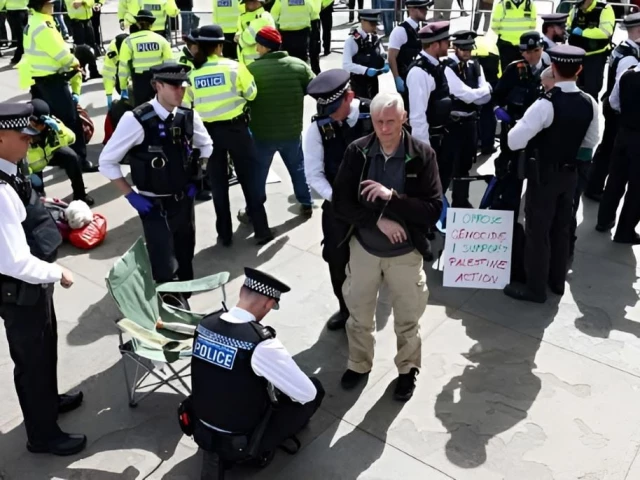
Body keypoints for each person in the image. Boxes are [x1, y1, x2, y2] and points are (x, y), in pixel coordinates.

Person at [332, 92, 441, 400]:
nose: (384, 128)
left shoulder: (422, 155)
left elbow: (433, 209)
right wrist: (377, 219)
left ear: (403, 118)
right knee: (359, 315)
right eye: (379, 121)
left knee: (408, 319)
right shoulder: (358, 151)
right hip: (365, 249)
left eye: (391, 121)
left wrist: (392, 197)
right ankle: (359, 364)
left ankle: (407, 370)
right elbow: (341, 203)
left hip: (405, 255)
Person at [0, 102, 86, 456]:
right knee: (32, 361)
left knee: (45, 346)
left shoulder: (11, 166)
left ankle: (48, 403)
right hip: (22, 288)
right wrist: (57, 271)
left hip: (34, 286)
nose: (29, 144)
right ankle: (42, 435)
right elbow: (14, 261)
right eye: (23, 137)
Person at [192, 267, 324, 478]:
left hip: (201, 424)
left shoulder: (204, 324)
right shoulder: (260, 344)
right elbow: (306, 393)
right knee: (315, 389)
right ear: (270, 303)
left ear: (242, 291)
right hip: (240, 438)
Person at [99, 63, 213, 286]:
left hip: (183, 200)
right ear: (157, 86)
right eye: (174, 86)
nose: (180, 91)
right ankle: (166, 302)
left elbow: (207, 145)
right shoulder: (136, 120)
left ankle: (184, 294)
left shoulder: (187, 116)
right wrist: (130, 195)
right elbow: (106, 161)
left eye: (183, 86)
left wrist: (198, 175)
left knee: (185, 252)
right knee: (162, 261)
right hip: (154, 204)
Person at [503, 45, 599, 303]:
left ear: (553, 69)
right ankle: (557, 282)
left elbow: (513, 141)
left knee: (537, 230)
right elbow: (591, 141)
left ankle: (535, 288)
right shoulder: (590, 102)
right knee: (561, 227)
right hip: (570, 175)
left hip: (543, 175)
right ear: (579, 69)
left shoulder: (545, 104)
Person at [186, 25, 273, 246]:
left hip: (208, 134)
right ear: (219, 45)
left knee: (218, 185)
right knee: (249, 180)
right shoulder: (235, 67)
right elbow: (252, 94)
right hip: (237, 130)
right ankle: (261, 230)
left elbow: (188, 107)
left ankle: (224, 234)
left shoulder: (193, 75)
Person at [303, 69, 374, 330]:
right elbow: (314, 175)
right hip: (339, 207)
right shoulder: (317, 129)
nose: (331, 115)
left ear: (350, 97)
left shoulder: (374, 113)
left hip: (375, 203)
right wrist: (340, 200)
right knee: (337, 262)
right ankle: (346, 311)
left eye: (335, 108)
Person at [246, 26, 314, 219]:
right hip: (292, 133)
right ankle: (306, 202)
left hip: (262, 134)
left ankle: (254, 209)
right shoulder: (299, 66)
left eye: (258, 45)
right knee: (298, 169)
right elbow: (315, 87)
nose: (257, 49)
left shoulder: (252, 70)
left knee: (258, 174)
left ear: (264, 46)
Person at [21, 0, 96, 172]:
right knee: (71, 120)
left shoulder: (33, 21)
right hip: (52, 81)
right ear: (42, 5)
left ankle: (54, 156)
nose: (53, 6)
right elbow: (59, 52)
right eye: (50, 3)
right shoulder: (43, 25)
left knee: (47, 121)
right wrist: (75, 63)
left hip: (39, 79)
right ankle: (79, 160)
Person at [490, 31, 548, 221]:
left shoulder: (550, 70)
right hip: (514, 130)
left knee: (538, 177)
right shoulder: (514, 69)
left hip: (539, 134)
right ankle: (507, 217)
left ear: (542, 49)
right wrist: (499, 109)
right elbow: (497, 96)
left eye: (536, 51)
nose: (531, 56)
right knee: (510, 175)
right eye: (527, 52)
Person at [585, 12, 640, 202]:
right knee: (610, 151)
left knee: (606, 148)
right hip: (618, 111)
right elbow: (624, 89)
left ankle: (592, 184)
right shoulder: (630, 59)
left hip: (612, 105)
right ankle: (594, 187)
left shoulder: (623, 49)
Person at [441, 30, 492, 207]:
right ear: (455, 47)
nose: (467, 52)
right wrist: (478, 94)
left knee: (465, 166)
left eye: (469, 49)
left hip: (471, 122)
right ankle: (441, 206)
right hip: (453, 124)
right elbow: (465, 94)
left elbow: (486, 96)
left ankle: (460, 203)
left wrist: (477, 94)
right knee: (448, 167)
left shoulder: (476, 65)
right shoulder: (448, 67)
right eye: (463, 49)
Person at [596, 52, 640, 244]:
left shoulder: (627, 75)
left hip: (624, 134)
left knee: (615, 180)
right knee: (637, 189)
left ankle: (603, 221)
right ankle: (625, 231)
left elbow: (614, 103)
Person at [406, 21, 452, 180]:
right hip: (430, 142)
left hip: (441, 138)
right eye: (446, 42)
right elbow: (418, 118)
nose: (449, 45)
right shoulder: (420, 73)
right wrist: (426, 154)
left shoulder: (435, 66)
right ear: (434, 45)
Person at [26, 99, 94, 205]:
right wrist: (29, 174)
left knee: (71, 157)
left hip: (49, 154)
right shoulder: (21, 133)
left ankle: (80, 196)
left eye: (42, 123)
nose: (41, 126)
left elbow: (72, 138)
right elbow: (17, 160)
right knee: (37, 193)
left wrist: (59, 131)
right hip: (32, 165)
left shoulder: (52, 124)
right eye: (37, 123)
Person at [117, 9, 173, 107]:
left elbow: (123, 66)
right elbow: (170, 64)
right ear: (151, 25)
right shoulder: (161, 40)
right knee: (160, 108)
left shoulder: (128, 41)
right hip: (158, 80)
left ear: (138, 24)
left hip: (140, 82)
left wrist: (123, 86)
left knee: (142, 112)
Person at [567, 0, 615, 100]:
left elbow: (606, 32)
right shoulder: (576, 9)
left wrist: (583, 33)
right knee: (574, 89)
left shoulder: (604, 9)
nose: (580, 7)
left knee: (591, 90)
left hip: (595, 56)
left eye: (581, 4)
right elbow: (569, 25)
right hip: (576, 55)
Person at [342, 10, 388, 100]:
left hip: (373, 83)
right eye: (372, 24)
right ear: (363, 22)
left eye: (375, 24)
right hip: (359, 83)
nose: (374, 27)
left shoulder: (374, 37)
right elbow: (346, 65)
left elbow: (382, 53)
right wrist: (365, 70)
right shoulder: (352, 41)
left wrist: (386, 63)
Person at [388, 0, 428, 98]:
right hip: (406, 78)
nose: (426, 11)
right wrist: (397, 78)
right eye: (422, 8)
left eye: (426, 8)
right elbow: (391, 57)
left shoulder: (421, 28)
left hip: (419, 77)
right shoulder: (400, 30)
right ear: (412, 9)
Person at [472, 34, 500, 154]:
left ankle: (477, 142)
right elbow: (499, 70)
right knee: (488, 113)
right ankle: (487, 145)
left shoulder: (473, 50)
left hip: (475, 82)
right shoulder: (492, 46)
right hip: (491, 80)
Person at [490, 0, 536, 72]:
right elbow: (533, 25)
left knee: (508, 72)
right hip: (516, 45)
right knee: (523, 72)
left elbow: (495, 26)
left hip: (509, 44)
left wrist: (505, 34)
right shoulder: (529, 4)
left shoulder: (503, 4)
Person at [235, 0, 275, 65]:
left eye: (254, 1)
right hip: (245, 62)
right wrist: (238, 34)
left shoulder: (263, 16)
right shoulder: (242, 16)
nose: (250, 3)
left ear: (260, 2)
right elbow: (239, 30)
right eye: (248, 1)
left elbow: (248, 39)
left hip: (259, 62)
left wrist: (239, 38)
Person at [102, 33, 129, 108]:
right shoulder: (112, 50)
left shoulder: (133, 45)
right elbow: (108, 73)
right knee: (120, 88)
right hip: (118, 64)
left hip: (134, 65)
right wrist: (109, 94)